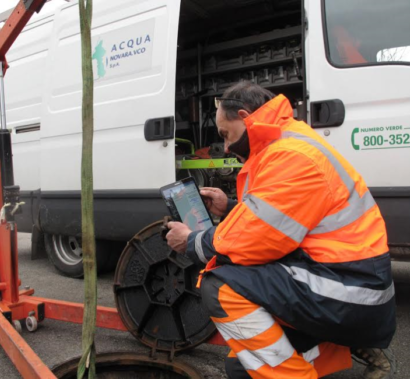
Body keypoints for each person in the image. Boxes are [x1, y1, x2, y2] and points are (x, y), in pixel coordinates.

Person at [166, 81, 396, 379]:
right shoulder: (289, 139)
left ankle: (331, 345)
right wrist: (231, 207)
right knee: (241, 368)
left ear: (245, 116)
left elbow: (251, 241)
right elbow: (282, 218)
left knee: (220, 284)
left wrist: (191, 240)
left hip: (351, 289)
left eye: (225, 135)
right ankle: (335, 346)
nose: (225, 147)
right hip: (345, 279)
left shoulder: (291, 155)